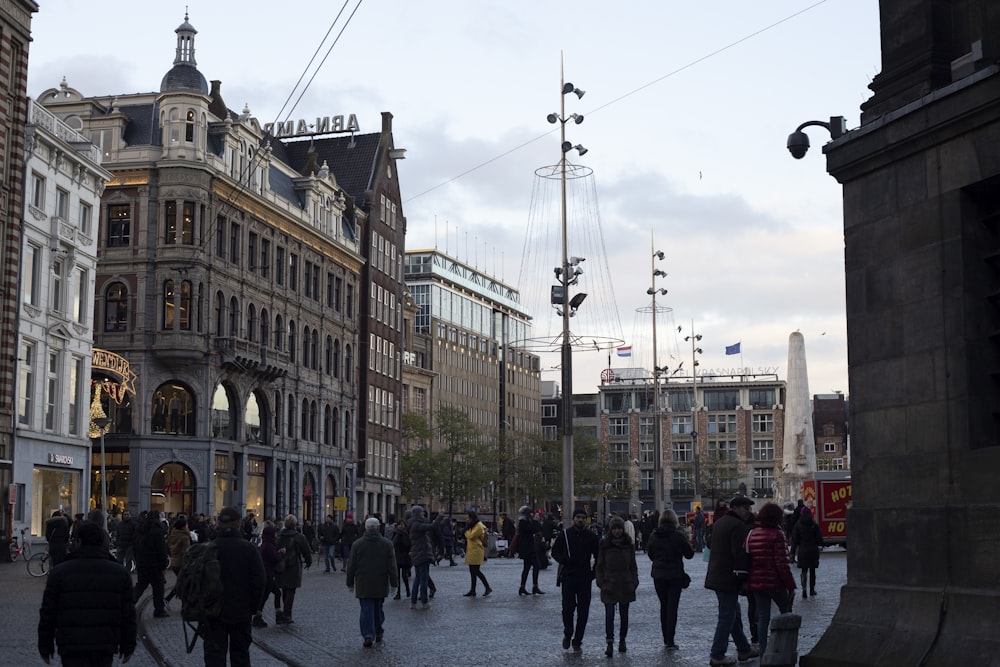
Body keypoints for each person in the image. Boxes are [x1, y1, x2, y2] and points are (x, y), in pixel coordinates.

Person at [38, 521, 136, 667]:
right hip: (104, 644)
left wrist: (45, 647)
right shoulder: (120, 574)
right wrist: (128, 645)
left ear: (78, 541)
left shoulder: (59, 573)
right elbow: (128, 614)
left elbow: (48, 613)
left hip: (71, 644)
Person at [203, 506, 266, 667]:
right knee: (240, 657)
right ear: (238, 523)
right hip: (241, 612)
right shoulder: (249, 549)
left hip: (213, 613)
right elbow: (259, 581)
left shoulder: (208, 549)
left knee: (214, 658)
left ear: (219, 524)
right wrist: (253, 607)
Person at [705, 496, 760, 667]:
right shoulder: (737, 526)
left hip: (717, 575)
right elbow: (740, 554)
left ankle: (743, 648)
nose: (748, 512)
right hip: (728, 576)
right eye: (745, 508)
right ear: (735, 508)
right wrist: (743, 577)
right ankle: (717, 654)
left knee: (733, 613)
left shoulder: (721, 522)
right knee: (727, 616)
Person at [746, 502, 796, 655]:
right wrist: (790, 584)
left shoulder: (752, 534)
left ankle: (763, 650)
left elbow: (747, 557)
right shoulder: (777, 534)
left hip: (756, 581)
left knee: (763, 616)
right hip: (775, 582)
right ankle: (785, 646)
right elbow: (782, 563)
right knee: (786, 612)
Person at [551, 507, 600, 652]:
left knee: (583, 610)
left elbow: (598, 555)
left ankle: (578, 640)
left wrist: (594, 572)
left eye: (583, 517)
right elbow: (555, 552)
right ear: (574, 519)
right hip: (568, 576)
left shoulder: (591, 536)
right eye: (578, 517)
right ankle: (568, 631)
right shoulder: (565, 534)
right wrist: (565, 560)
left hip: (584, 577)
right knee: (568, 608)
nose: (581, 520)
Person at [346, 517, 399, 647]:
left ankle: (368, 635)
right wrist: (394, 584)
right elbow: (392, 566)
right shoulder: (387, 544)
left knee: (366, 609)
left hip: (363, 582)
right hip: (380, 581)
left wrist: (350, 582)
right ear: (378, 527)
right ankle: (378, 630)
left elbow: (351, 565)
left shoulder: (357, 544)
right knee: (378, 608)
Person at [647, 509, 695, 650]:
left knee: (664, 606)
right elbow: (689, 554)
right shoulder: (678, 536)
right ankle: (670, 640)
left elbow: (650, 554)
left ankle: (665, 638)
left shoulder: (653, 536)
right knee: (672, 608)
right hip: (675, 576)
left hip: (659, 576)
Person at [595, 516, 639, 656]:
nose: (617, 531)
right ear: (610, 530)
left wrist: (634, 582)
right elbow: (599, 565)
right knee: (609, 615)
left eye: (619, 528)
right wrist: (601, 582)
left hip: (625, 584)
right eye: (614, 528)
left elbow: (633, 565)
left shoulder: (629, 545)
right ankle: (609, 642)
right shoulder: (604, 544)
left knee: (624, 615)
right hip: (609, 584)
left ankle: (622, 640)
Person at [274, 514, 313, 624]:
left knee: (285, 588)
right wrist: (308, 561)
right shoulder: (298, 536)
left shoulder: (279, 535)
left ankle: (286, 613)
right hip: (293, 564)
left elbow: (275, 547)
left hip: (281, 564)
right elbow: (306, 550)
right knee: (291, 589)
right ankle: (287, 614)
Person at [133, 510, 169, 618]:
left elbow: (135, 546)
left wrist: (137, 560)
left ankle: (128, 604)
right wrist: (164, 564)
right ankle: (159, 610)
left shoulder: (140, 530)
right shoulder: (158, 531)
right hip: (154, 565)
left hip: (142, 563)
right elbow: (161, 550)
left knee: (140, 585)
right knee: (158, 588)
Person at [254, 524, 283, 628]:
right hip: (268, 574)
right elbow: (275, 558)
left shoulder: (265, 544)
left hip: (267, 573)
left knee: (276, 593)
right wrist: (281, 554)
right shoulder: (268, 545)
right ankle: (258, 617)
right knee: (265, 596)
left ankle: (278, 614)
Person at [791, 506, 823, 599]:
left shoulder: (798, 525)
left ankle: (804, 589)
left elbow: (794, 541)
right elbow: (819, 540)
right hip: (813, 550)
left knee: (804, 570)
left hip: (803, 551)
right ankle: (812, 590)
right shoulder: (814, 525)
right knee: (812, 571)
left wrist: (792, 552)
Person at [407, 505, 434, 609]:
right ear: (418, 514)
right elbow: (431, 526)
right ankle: (424, 601)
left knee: (417, 579)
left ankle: (413, 601)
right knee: (423, 580)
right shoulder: (417, 525)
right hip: (422, 554)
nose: (424, 514)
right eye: (422, 512)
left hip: (416, 554)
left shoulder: (413, 524)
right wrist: (440, 515)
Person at [462, 510, 492, 597]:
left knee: (476, 571)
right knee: (472, 571)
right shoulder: (474, 525)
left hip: (476, 550)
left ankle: (487, 587)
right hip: (472, 550)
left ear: (472, 518)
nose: (467, 519)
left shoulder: (478, 526)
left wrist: (466, 532)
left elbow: (471, 536)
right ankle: (473, 590)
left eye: (468, 518)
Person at [516, 506, 544, 595]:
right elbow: (533, 530)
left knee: (527, 568)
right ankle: (534, 586)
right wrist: (535, 521)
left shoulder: (524, 522)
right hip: (528, 548)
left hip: (527, 548)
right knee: (536, 566)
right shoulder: (524, 522)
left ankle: (523, 587)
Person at [164, 516, 192, 603]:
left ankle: (169, 599)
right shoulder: (185, 537)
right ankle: (169, 599)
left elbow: (167, 549)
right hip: (182, 563)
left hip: (174, 562)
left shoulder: (171, 536)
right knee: (184, 582)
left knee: (182, 582)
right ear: (184, 527)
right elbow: (186, 552)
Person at [391, 518, 412, 600]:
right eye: (399, 525)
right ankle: (398, 593)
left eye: (402, 525)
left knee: (404, 576)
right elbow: (392, 543)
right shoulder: (395, 533)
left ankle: (407, 590)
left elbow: (407, 544)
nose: (401, 526)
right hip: (397, 556)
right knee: (397, 577)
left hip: (405, 557)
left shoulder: (406, 534)